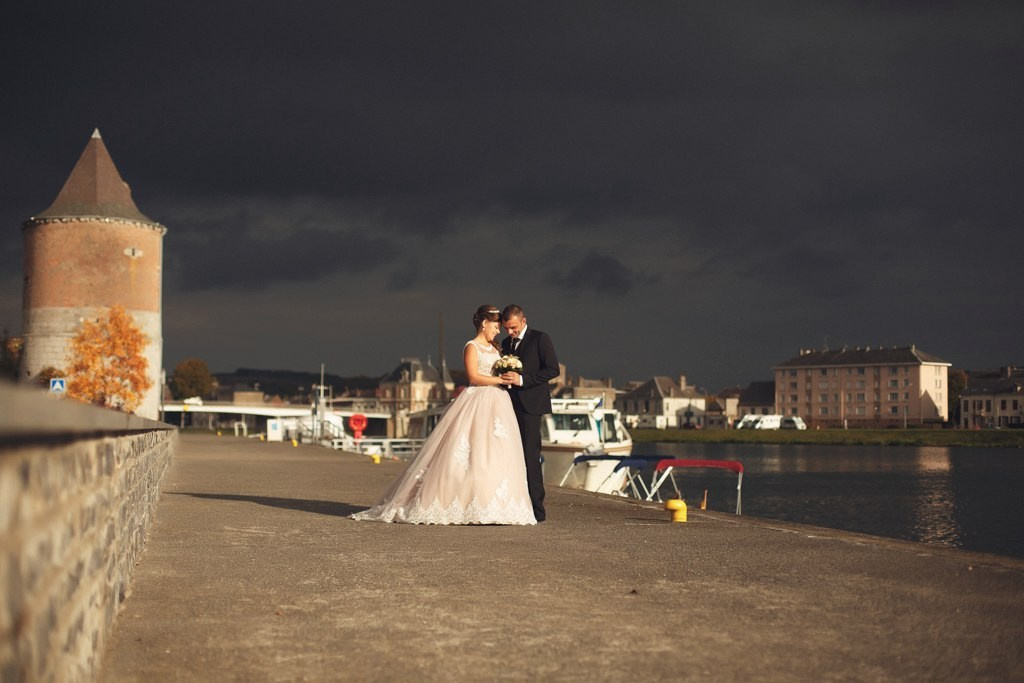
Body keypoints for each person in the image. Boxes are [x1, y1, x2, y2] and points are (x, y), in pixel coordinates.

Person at [350, 305, 536, 525]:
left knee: (496, 454)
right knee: (470, 453)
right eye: (496, 326)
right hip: (477, 401)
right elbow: (473, 377)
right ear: (484, 324)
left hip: (498, 402)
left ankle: (494, 506)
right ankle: (465, 503)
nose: (498, 330)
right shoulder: (471, 347)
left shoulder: (496, 348)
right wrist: (499, 380)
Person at [499, 304, 559, 522]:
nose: (510, 332)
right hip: (508, 405)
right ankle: (514, 504)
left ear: (523, 321)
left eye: (513, 327)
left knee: (530, 457)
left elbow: (553, 369)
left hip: (531, 406)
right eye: (506, 328)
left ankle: (537, 510)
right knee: (510, 455)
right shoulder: (506, 343)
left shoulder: (540, 338)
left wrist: (522, 380)